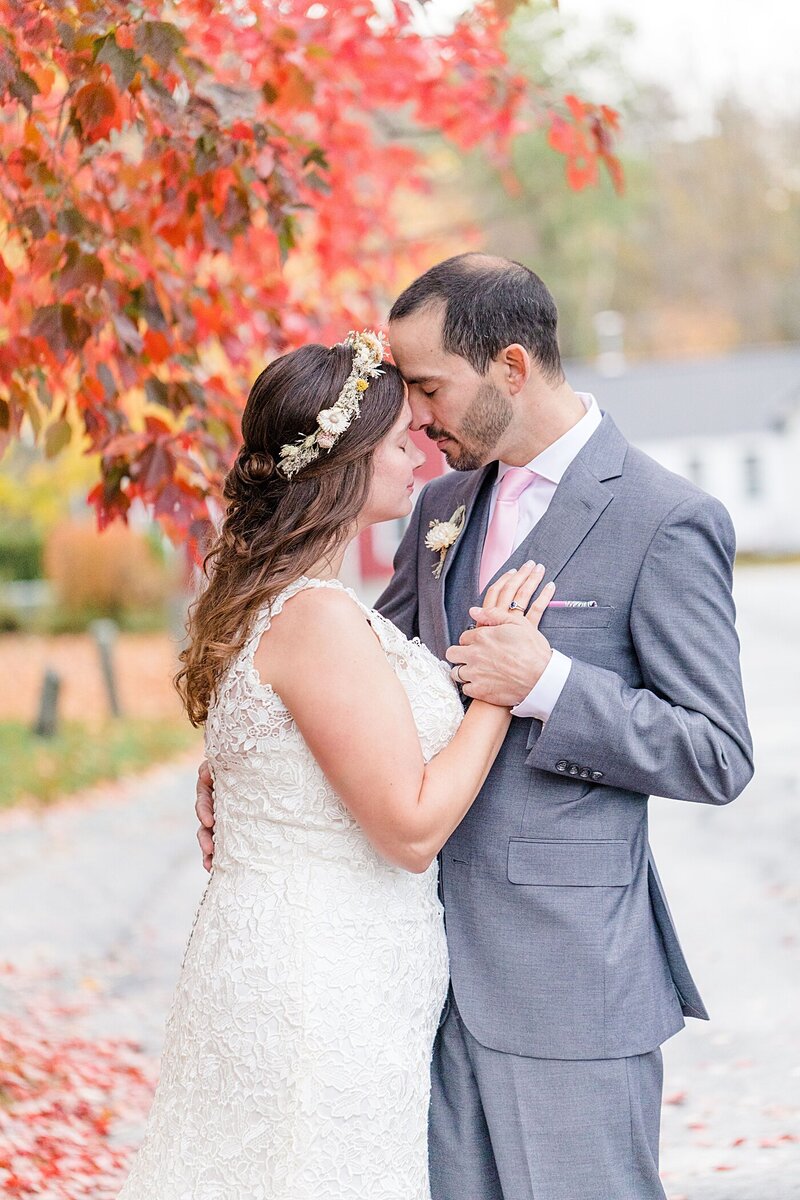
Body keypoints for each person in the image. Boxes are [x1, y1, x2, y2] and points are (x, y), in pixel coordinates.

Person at [196, 253, 754, 1200]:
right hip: (409, 976)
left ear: (508, 366)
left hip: (566, 980)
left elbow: (717, 752)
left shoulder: (665, 519)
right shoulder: (443, 505)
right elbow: (365, 666)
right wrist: (247, 764)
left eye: (426, 386)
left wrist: (551, 685)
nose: (412, 415)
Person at [119, 330, 550, 1200]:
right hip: (322, 981)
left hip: (316, 958)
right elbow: (411, 826)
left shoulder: (290, 600)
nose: (421, 454)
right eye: (399, 441)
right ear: (346, 461)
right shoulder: (315, 615)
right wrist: (504, 692)